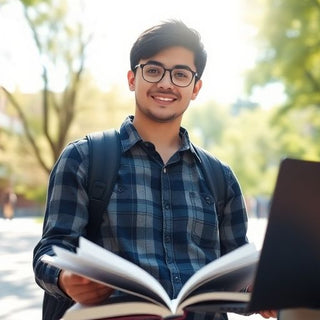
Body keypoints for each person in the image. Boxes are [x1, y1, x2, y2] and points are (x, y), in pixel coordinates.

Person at [33, 20, 277, 320]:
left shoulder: (220, 178)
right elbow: (50, 250)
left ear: (196, 87)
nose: (166, 83)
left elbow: (236, 273)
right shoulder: (83, 158)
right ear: (132, 78)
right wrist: (65, 278)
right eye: (153, 70)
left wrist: (261, 290)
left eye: (180, 74)